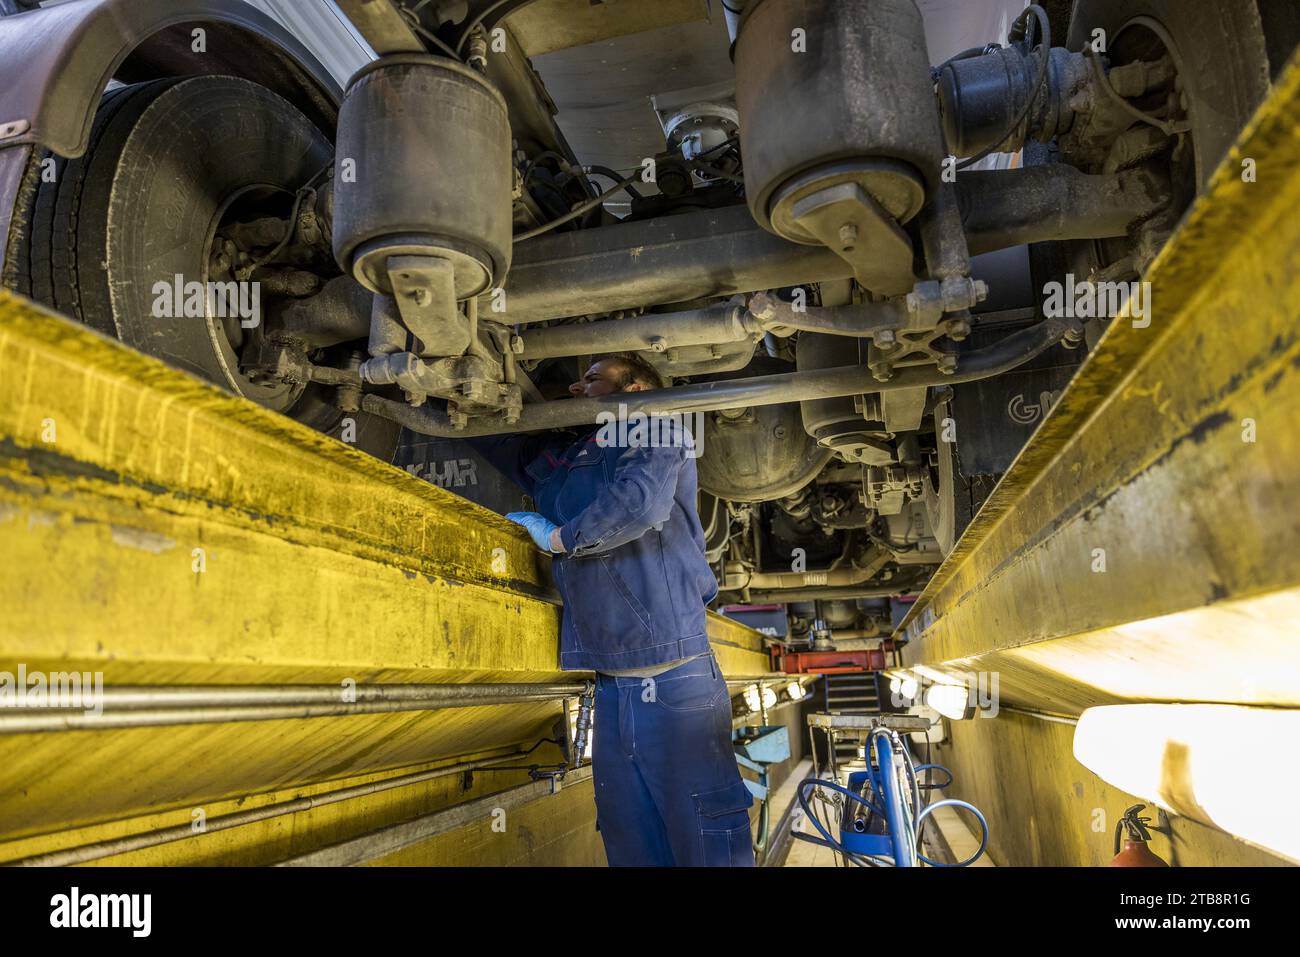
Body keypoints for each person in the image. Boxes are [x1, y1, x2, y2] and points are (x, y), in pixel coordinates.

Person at [468, 353, 755, 866]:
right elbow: (498, 443)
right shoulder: (565, 459)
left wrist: (560, 537)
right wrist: (444, 400)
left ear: (638, 387)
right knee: (629, 838)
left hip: (675, 679)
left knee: (704, 836)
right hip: (612, 687)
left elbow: (641, 504)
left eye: (593, 378)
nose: (578, 389)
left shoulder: (659, 429)